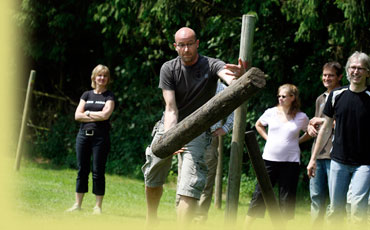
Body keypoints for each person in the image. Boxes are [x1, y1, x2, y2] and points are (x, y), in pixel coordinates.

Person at [142, 27, 246, 224]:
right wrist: (171, 138)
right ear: (175, 47)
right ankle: (151, 220)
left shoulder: (211, 64)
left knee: (190, 185)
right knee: (152, 175)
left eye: (190, 44)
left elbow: (228, 77)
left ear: (197, 43)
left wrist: (238, 79)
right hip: (169, 126)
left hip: (197, 131)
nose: (187, 49)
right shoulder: (168, 68)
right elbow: (171, 108)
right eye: (182, 45)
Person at [307, 51, 370, 226]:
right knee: (336, 209)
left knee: (358, 207)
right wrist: (313, 159)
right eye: (353, 68)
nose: (356, 72)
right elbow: (325, 129)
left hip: (364, 163)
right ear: (348, 70)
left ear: (367, 72)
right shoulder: (336, 95)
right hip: (338, 161)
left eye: (360, 68)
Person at [245, 84, 309, 226]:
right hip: (269, 160)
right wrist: (268, 138)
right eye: (279, 96)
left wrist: (298, 141)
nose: (280, 98)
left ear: (292, 98)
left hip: (291, 162)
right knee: (259, 194)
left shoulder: (301, 117)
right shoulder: (271, 112)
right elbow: (258, 125)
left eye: (284, 96)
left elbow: (310, 131)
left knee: (287, 198)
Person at [177, 80, 234, 223]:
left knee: (206, 180)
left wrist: (226, 128)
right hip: (188, 136)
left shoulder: (223, 89)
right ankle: (180, 217)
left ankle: (199, 220)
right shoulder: (190, 84)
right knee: (183, 179)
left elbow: (235, 109)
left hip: (210, 136)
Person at [66, 64, 115, 214]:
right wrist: (95, 116)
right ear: (94, 77)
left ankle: (97, 207)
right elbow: (76, 116)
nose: (102, 78)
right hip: (83, 136)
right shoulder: (86, 95)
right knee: (82, 170)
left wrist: (86, 114)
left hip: (100, 138)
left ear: (108, 79)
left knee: (98, 171)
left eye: (105, 76)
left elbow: (105, 115)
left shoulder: (109, 96)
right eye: (99, 75)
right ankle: (77, 205)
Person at [299, 62, 342, 225]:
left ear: (339, 77)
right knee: (316, 198)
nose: (326, 78)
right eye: (324, 75)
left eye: (331, 75)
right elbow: (320, 126)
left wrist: (322, 121)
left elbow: (343, 124)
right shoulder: (320, 99)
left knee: (335, 201)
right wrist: (310, 128)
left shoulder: (344, 95)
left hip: (336, 156)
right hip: (317, 155)